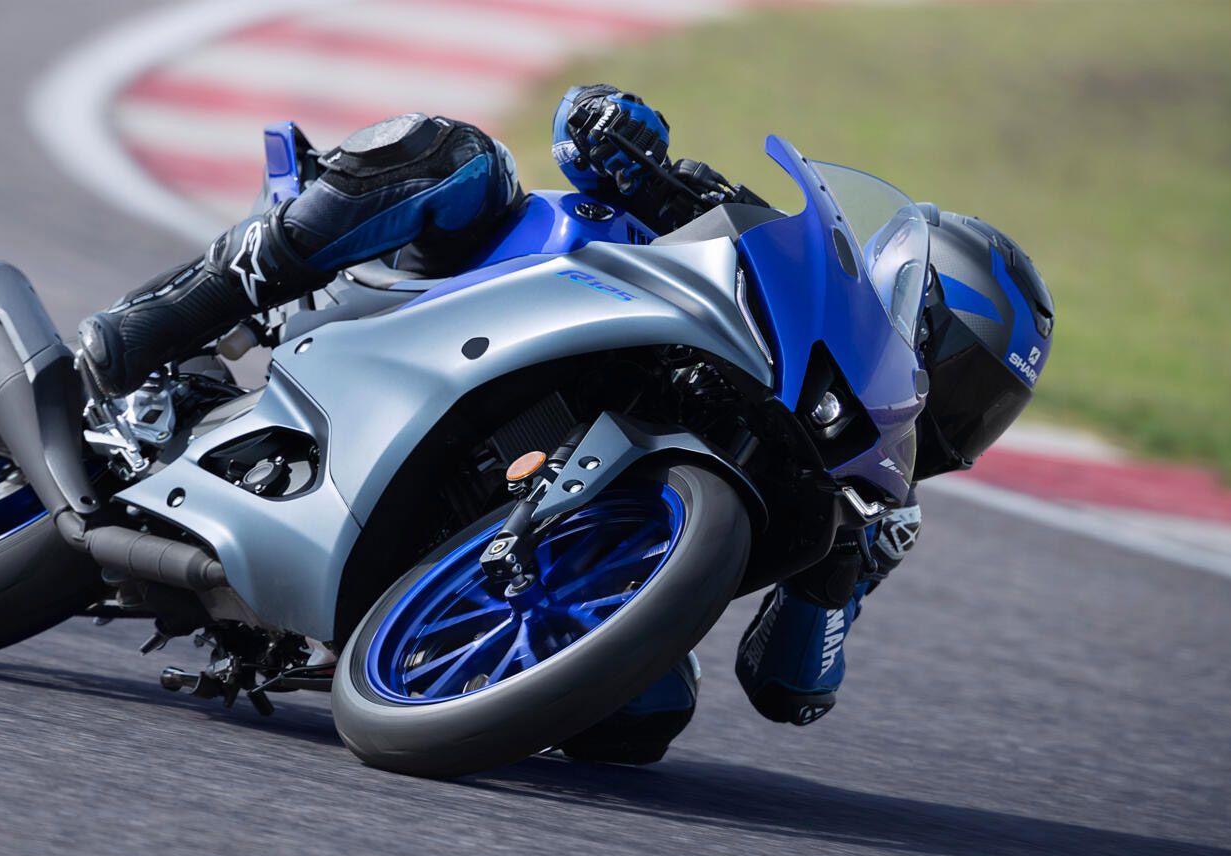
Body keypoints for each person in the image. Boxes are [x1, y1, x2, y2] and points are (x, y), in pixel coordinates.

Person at [78, 85, 1054, 764]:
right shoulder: (765, 254)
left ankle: (405, 637)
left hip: (572, 543)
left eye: (978, 408)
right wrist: (623, 136)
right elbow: (591, 133)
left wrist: (842, 573)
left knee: (641, 725)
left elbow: (790, 691)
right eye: (952, 365)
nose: (953, 408)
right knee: (452, 152)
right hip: (477, 308)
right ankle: (169, 320)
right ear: (899, 293)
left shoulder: (854, 507)